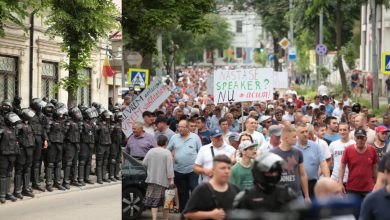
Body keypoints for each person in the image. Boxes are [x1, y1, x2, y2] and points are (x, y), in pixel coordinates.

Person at [232, 152, 296, 211]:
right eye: (269, 173)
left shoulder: (287, 194)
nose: (273, 175)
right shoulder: (245, 197)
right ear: (259, 173)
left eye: (275, 172)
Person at [183, 155, 239, 220]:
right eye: (223, 168)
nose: (227, 171)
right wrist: (210, 214)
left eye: (229, 168)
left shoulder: (235, 189)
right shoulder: (202, 189)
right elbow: (187, 214)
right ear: (213, 170)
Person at [167, 119, 202, 213]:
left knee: (194, 189)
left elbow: (200, 152)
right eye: (179, 127)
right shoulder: (174, 137)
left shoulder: (195, 137)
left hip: (193, 170)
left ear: (187, 128)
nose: (179, 129)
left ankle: (195, 210)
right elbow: (168, 150)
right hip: (178, 170)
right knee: (183, 193)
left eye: (182, 127)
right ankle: (184, 212)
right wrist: (170, 157)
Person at [270, 125, 311, 205]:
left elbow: (303, 174)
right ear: (285, 138)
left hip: (297, 195)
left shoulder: (298, 153)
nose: (297, 138)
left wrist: (306, 196)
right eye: (294, 137)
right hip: (279, 196)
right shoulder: (272, 153)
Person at [338, 128, 378, 205]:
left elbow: (375, 168)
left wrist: (377, 183)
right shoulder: (348, 150)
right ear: (355, 138)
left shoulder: (372, 150)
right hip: (352, 187)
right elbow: (342, 167)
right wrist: (340, 183)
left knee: (368, 213)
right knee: (353, 212)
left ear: (366, 138)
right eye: (358, 138)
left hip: (368, 188)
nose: (360, 140)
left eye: (362, 138)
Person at [142, 135, 174, 220]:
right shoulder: (167, 152)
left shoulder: (151, 151)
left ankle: (154, 219)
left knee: (154, 202)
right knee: (167, 202)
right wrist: (171, 179)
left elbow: (144, 163)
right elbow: (170, 168)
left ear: (157, 142)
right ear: (166, 143)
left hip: (152, 180)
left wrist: (150, 170)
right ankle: (165, 219)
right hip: (164, 181)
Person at [295, 123, 329, 198]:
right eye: (302, 132)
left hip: (313, 184)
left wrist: (328, 180)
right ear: (296, 134)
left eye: (306, 131)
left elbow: (323, 164)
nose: (305, 134)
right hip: (297, 185)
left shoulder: (315, 146)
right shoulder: (293, 147)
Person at [0, 113, 21, 203]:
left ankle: (8, 193)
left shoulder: (15, 130)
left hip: (13, 155)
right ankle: (2, 194)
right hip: (4, 156)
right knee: (3, 175)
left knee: (9, 174)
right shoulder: (2, 130)